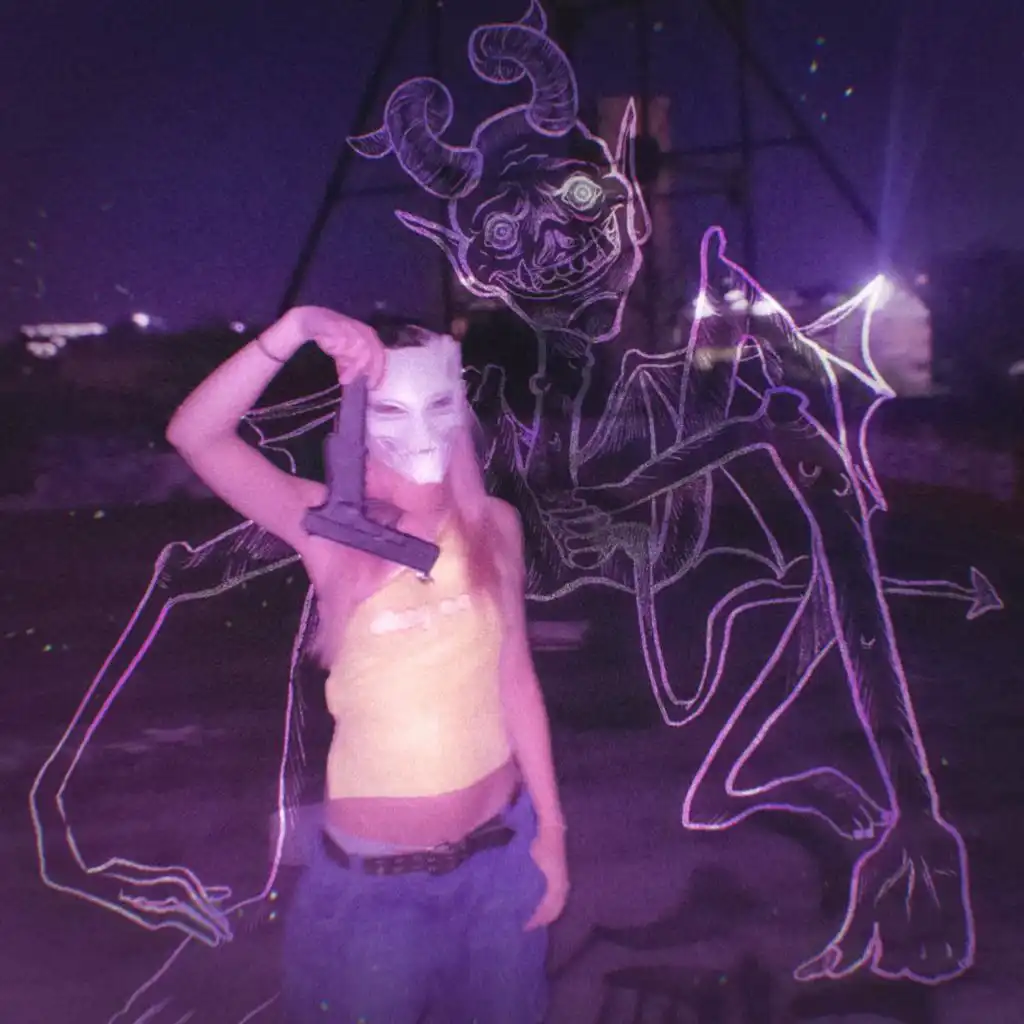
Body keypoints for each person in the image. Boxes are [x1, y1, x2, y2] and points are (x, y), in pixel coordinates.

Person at [165, 306, 569, 1023]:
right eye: (390, 408)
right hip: (374, 889)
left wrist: (552, 835)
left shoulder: (493, 526)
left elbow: (516, 681)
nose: (420, 428)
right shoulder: (329, 527)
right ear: (357, 412)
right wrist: (294, 329)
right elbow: (195, 435)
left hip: (500, 863)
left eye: (439, 403)